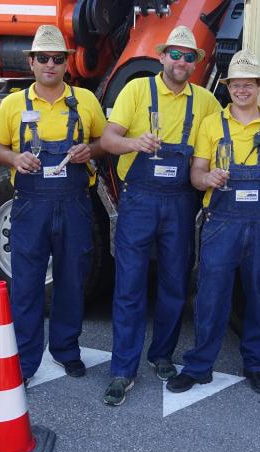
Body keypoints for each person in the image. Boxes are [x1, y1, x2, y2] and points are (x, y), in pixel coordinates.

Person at [100, 26, 221, 406]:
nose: (181, 61)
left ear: (195, 63)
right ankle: (122, 370)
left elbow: (235, 128)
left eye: (188, 56)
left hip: (180, 203)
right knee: (129, 286)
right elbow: (107, 139)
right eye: (175, 54)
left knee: (174, 284)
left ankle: (162, 355)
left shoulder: (205, 102)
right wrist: (133, 142)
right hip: (139, 201)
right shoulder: (137, 90)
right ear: (162, 56)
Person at [166, 50, 260, 395]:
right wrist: (207, 179)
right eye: (236, 84)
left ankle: (256, 365)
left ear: (259, 87)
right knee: (210, 298)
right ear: (228, 87)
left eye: (248, 84)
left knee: (259, 296)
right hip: (221, 223)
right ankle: (198, 366)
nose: (241, 90)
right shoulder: (211, 124)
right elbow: (196, 173)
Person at [0, 25, 107, 382]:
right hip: (30, 206)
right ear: (32, 62)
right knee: (26, 285)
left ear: (67, 63)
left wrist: (90, 150)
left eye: (57, 58)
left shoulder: (85, 101)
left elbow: (104, 141)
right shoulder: (14, 104)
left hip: (74, 204)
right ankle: (25, 361)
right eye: (43, 58)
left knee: (72, 280)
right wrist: (14, 158)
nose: (50, 64)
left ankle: (66, 350)